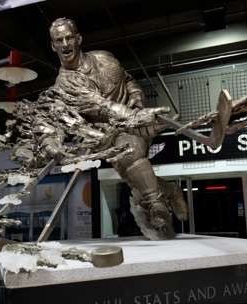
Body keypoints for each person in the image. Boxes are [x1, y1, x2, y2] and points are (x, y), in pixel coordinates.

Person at [48, 18, 187, 239]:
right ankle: (170, 191)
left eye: (68, 38)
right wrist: (134, 115)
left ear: (78, 39)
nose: (65, 44)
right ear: (53, 46)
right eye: (59, 40)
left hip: (134, 124)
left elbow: (129, 79)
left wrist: (137, 99)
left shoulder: (104, 57)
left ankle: (157, 206)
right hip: (108, 135)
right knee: (132, 174)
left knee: (129, 153)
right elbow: (100, 106)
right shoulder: (64, 84)